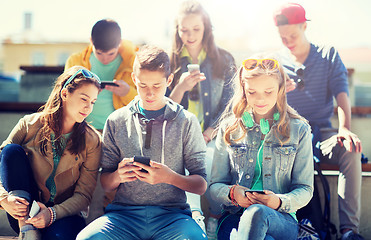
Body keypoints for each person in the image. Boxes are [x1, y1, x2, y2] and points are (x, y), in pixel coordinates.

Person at [76, 45, 208, 240]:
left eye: (157, 86)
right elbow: (105, 182)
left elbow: (201, 185)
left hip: (173, 217)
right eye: (143, 86)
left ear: (169, 81)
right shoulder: (116, 120)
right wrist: (118, 176)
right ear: (134, 79)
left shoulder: (186, 121)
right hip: (123, 217)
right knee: (86, 239)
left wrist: (169, 177)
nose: (150, 94)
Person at [273, 3, 363, 240]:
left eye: (293, 35)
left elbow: (342, 92)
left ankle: (348, 231)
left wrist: (344, 129)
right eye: (283, 38)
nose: (288, 41)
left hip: (322, 134)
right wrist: (279, 95)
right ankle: (302, 227)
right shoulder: (275, 63)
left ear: (304, 26)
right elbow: (269, 110)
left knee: (350, 148)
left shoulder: (328, 54)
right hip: (289, 137)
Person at [209, 56, 314, 239]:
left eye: (268, 91)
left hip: (281, 219)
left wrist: (279, 201)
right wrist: (232, 193)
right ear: (243, 90)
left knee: (257, 212)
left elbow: (305, 189)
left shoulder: (299, 130)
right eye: (252, 92)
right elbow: (214, 186)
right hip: (234, 217)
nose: (260, 99)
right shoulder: (229, 128)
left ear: (280, 90)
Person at [0, 66, 102, 240]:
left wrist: (52, 214)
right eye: (84, 99)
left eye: (92, 102)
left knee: (59, 236)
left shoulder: (92, 140)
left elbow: (83, 195)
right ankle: (27, 230)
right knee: (11, 151)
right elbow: (3, 162)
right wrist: (3, 199)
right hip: (23, 212)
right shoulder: (29, 124)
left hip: (63, 215)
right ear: (64, 94)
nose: (88, 107)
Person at [168, 1, 236, 237]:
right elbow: (163, 109)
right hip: (181, 134)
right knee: (187, 154)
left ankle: (215, 217)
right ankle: (195, 214)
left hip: (214, 133)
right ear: (176, 30)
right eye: (184, 30)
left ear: (206, 28)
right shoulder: (169, 62)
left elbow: (231, 103)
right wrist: (180, 87)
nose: (190, 35)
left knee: (213, 154)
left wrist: (210, 130)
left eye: (196, 29)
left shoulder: (224, 60)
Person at [65, 18, 137, 131]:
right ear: (91, 41)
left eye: (111, 54)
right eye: (99, 53)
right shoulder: (75, 61)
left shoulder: (134, 62)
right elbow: (64, 98)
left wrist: (127, 93)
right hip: (82, 131)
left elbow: (146, 103)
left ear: (120, 43)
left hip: (121, 132)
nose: (105, 59)